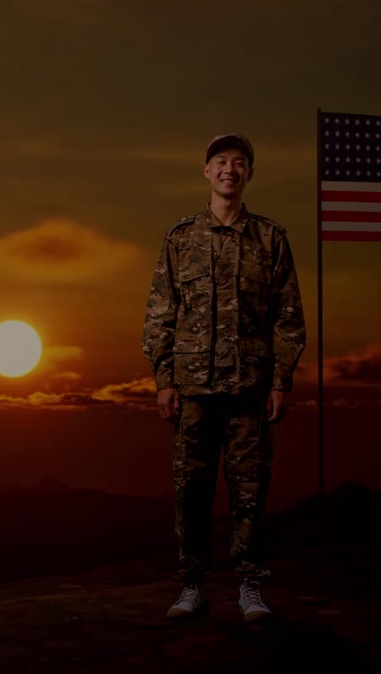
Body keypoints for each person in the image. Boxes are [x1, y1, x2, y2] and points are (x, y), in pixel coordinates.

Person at [142, 132, 307, 623]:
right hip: (192, 389)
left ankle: (250, 586)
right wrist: (164, 378)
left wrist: (280, 381)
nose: (229, 170)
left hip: (249, 389)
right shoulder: (180, 237)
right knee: (191, 487)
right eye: (220, 161)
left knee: (250, 488)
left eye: (239, 163)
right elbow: (160, 313)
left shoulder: (271, 238)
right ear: (206, 171)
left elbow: (288, 316)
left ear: (249, 174)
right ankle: (192, 585)